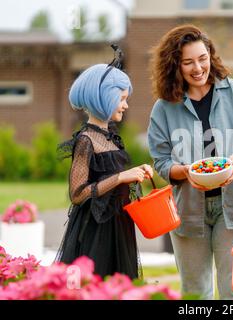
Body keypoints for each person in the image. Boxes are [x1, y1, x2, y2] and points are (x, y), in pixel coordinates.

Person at [147, 25, 233, 299]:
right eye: (188, 62)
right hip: (187, 210)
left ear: (211, 55)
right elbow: (161, 161)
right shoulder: (164, 107)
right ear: (175, 65)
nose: (198, 68)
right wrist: (185, 172)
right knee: (196, 292)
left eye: (202, 58)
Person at [56, 46, 153, 280]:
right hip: (95, 231)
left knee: (119, 288)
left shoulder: (110, 136)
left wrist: (136, 172)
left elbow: (116, 174)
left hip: (119, 225)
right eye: (121, 99)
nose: (125, 105)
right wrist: (120, 177)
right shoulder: (86, 140)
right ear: (104, 98)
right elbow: (77, 194)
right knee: (94, 286)